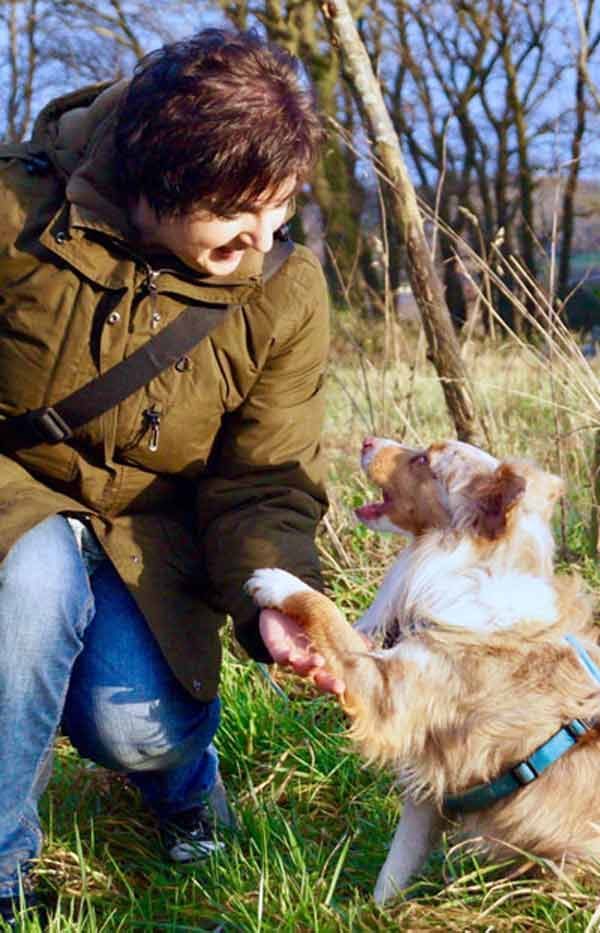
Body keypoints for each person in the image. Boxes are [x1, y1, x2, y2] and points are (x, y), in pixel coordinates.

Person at [0, 27, 340, 926]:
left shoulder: (285, 292)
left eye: (281, 212)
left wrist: (277, 593)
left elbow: (266, 477)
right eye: (238, 218)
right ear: (158, 188)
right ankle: (4, 871)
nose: (261, 244)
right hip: (11, 499)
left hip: (152, 535)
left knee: (138, 725)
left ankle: (184, 782)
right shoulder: (13, 213)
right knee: (28, 589)